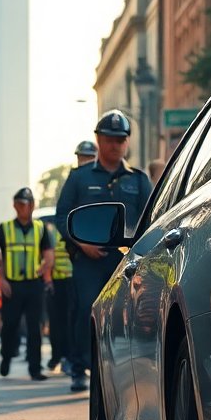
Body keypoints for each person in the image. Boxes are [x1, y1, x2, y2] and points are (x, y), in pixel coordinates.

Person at [54, 109, 153, 392]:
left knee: (127, 314)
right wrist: (81, 244)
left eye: (120, 140)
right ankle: (80, 367)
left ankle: (122, 368)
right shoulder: (80, 178)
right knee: (87, 310)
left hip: (125, 261)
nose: (115, 145)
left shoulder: (138, 179)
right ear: (98, 140)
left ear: (127, 143)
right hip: (88, 260)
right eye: (109, 139)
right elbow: (62, 217)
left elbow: (151, 219)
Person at [0, 187, 53, 381]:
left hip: (33, 285)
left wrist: (46, 266)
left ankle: (35, 368)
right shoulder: (4, 229)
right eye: (20, 203)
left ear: (33, 205)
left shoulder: (40, 228)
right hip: (12, 285)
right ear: (14, 205)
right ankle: (6, 356)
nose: (24, 207)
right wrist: (1, 279)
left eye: (28, 203)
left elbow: (48, 253)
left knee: (34, 328)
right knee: (9, 325)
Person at [41, 211, 74, 373]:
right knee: (55, 322)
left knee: (69, 321)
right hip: (55, 282)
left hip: (71, 281)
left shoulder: (73, 230)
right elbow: (46, 257)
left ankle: (69, 356)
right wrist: (48, 280)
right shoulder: (50, 231)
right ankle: (56, 356)